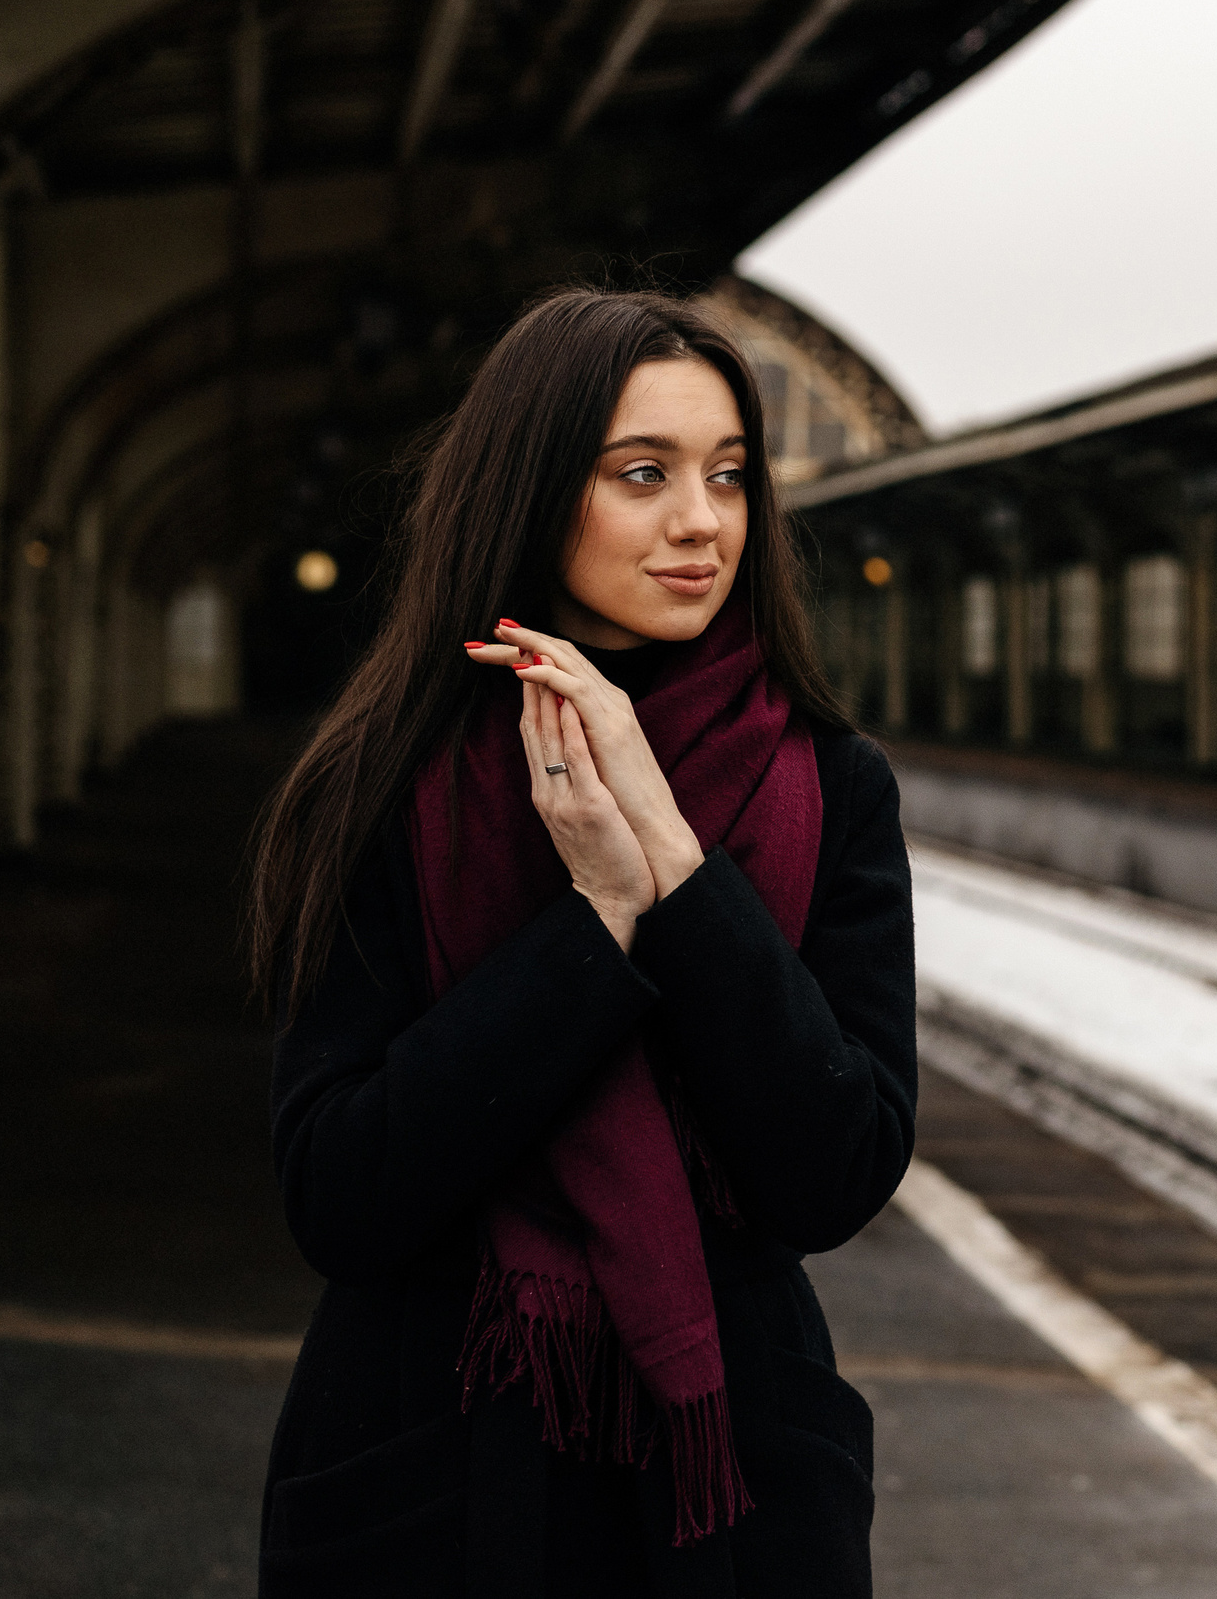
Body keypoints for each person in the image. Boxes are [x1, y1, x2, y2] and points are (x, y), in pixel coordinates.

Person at [238, 286, 915, 1597]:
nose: (702, 522)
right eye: (642, 474)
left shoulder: (829, 788)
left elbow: (837, 1168)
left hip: (728, 1486)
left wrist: (669, 864)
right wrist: (596, 925)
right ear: (536, 488)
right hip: (429, 1479)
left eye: (730, 474)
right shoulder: (388, 781)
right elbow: (340, 1190)